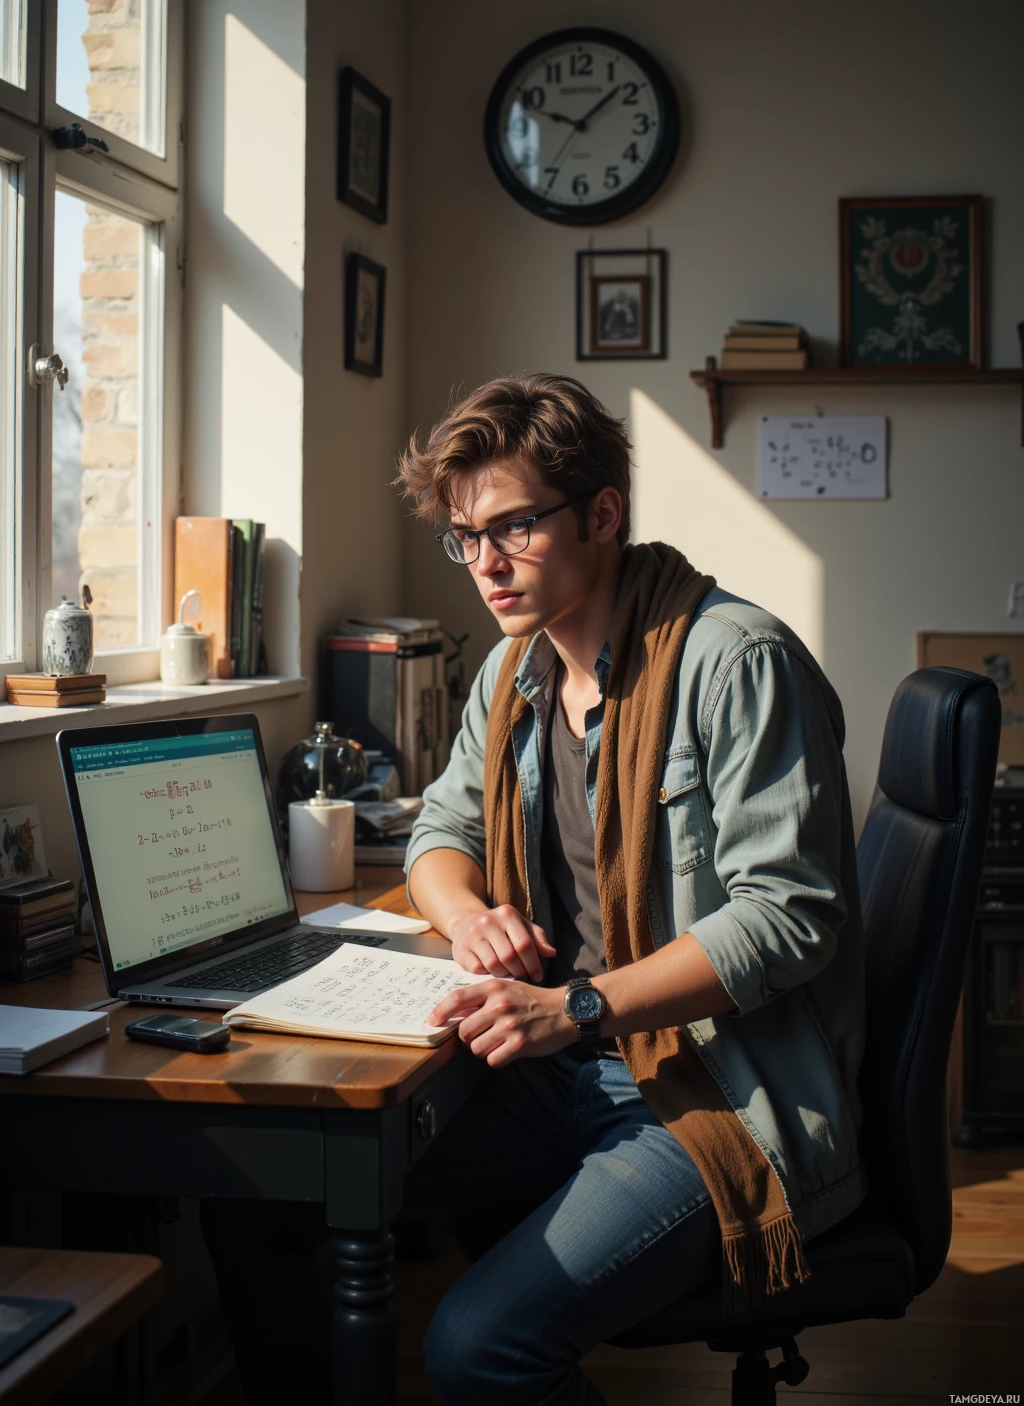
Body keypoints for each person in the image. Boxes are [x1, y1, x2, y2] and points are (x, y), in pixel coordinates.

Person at [200, 372, 867, 1406]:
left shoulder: (737, 662)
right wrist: (471, 917)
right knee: (254, 1191)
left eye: (512, 527)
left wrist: (575, 1006)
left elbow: (787, 920)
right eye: (464, 536)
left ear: (602, 514)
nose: (484, 564)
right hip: (552, 1076)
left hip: (706, 1091)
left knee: (478, 1347)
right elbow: (441, 831)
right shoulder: (516, 673)